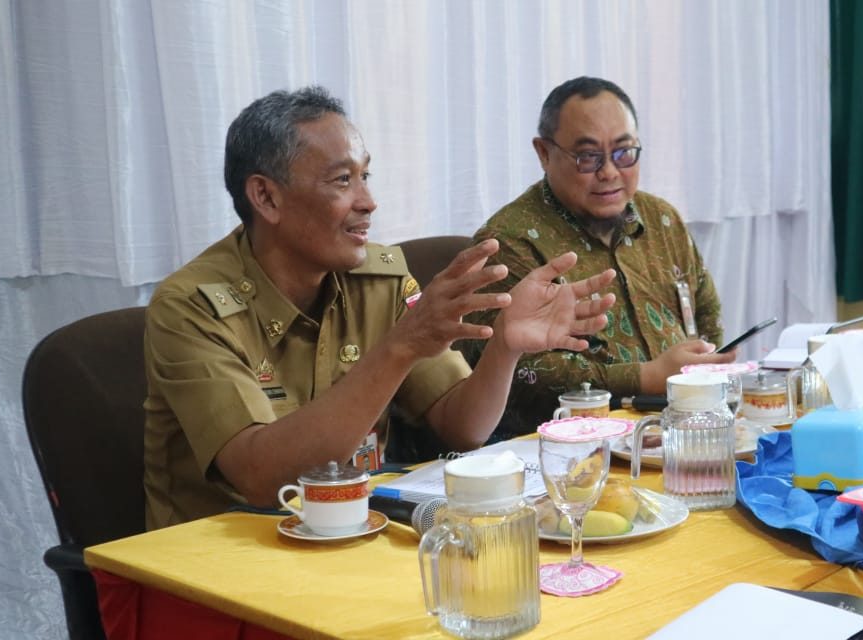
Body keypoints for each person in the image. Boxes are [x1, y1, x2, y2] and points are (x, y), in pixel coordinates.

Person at [143, 86, 615, 530]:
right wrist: (399, 347)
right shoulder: (190, 307)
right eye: (342, 180)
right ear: (266, 197)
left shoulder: (378, 280)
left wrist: (506, 347)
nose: (368, 202)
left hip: (352, 534)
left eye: (364, 176)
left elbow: (462, 426)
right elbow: (263, 480)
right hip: (222, 558)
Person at [461, 76, 736, 436]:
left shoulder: (662, 219)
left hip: (682, 428)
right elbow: (518, 377)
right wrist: (644, 377)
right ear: (544, 153)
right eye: (588, 157)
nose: (609, 173)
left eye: (624, 153)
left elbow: (708, 317)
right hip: (564, 447)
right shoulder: (507, 244)